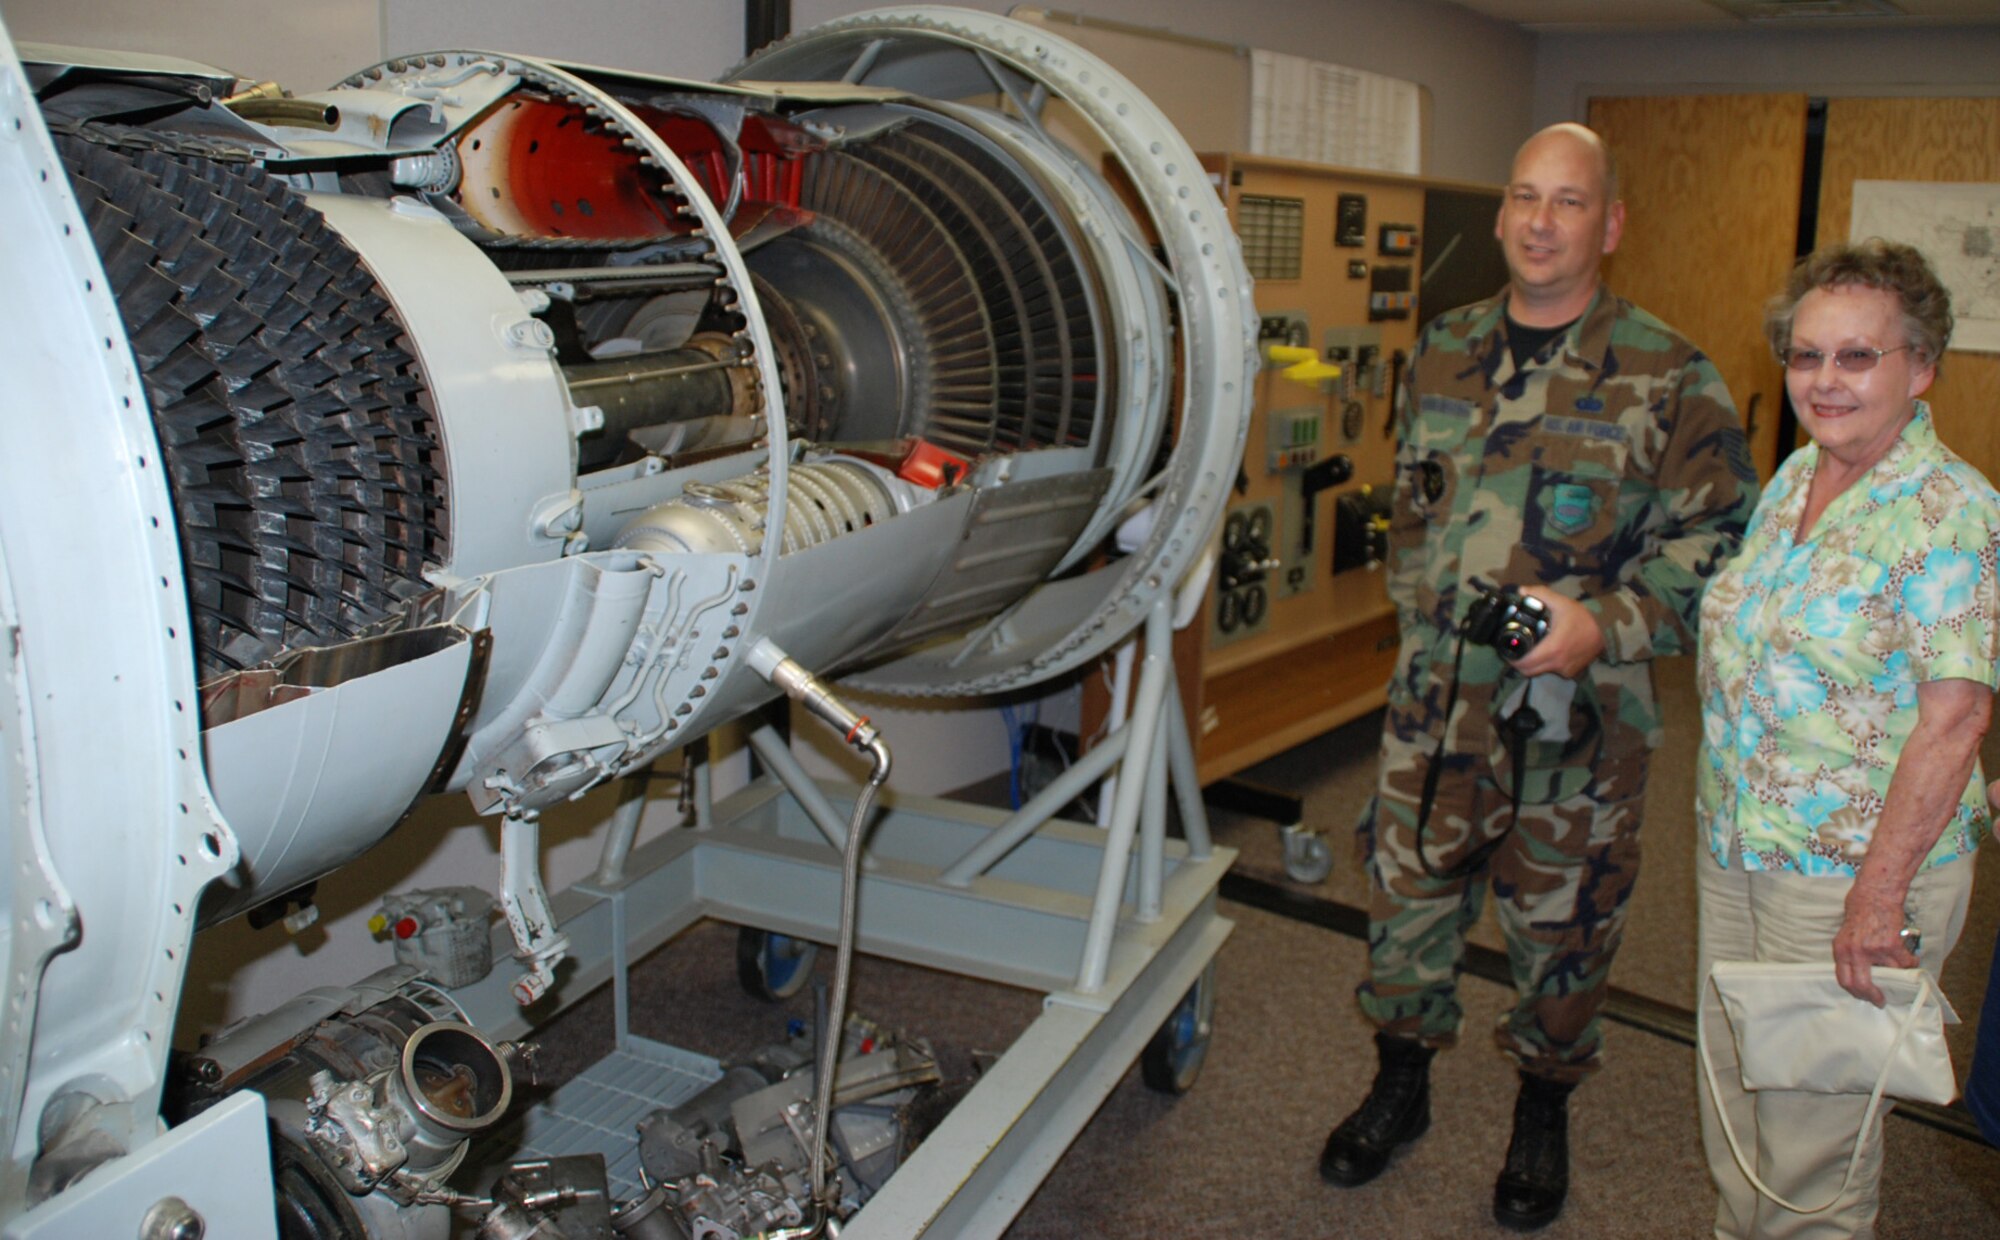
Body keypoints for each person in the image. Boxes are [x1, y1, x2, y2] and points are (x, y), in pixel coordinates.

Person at [1319, 122, 1758, 1231]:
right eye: (1522, 196)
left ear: (1607, 224)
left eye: (1567, 202)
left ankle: (1541, 1106)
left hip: (1580, 728)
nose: (1537, 221)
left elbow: (1719, 547)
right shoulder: (1442, 345)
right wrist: (1419, 608)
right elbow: (1410, 503)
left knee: (1561, 931)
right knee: (1406, 905)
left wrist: (1599, 622)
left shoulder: (1669, 372)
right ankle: (1400, 1081)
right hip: (1432, 710)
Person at [1694, 238, 1999, 1238]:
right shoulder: (1794, 476)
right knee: (1739, 1097)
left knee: (1814, 1141)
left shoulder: (1946, 513)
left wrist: (1875, 898)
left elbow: (1954, 720)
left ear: (1919, 367)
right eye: (1805, 356)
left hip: (1848, 873)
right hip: (1740, 846)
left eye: (1855, 357)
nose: (1823, 382)